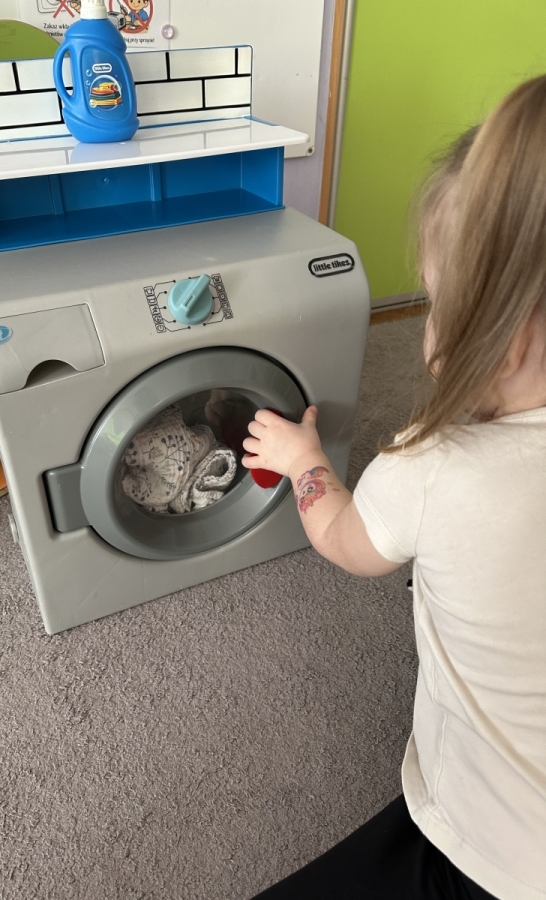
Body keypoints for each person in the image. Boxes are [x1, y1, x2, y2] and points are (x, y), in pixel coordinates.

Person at [243, 76, 546, 900]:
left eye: (436, 304)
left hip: (500, 860)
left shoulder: (430, 467)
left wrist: (304, 462)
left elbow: (347, 544)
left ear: (498, 336)